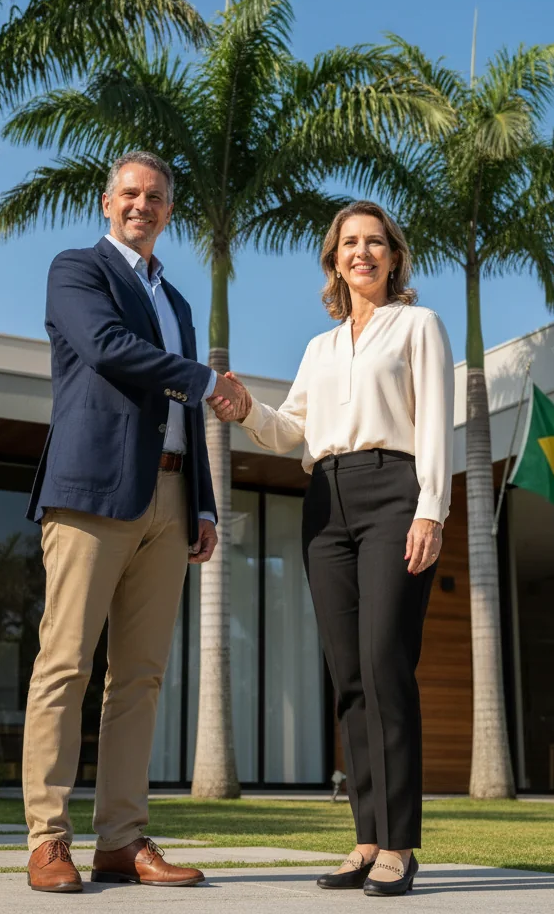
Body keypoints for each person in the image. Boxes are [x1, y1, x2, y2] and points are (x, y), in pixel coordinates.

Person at [211, 200, 454, 898]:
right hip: (326, 500)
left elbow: (436, 419)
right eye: (350, 243)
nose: (363, 253)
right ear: (333, 259)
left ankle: (401, 845)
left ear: (395, 257)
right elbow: (293, 431)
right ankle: (367, 837)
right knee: (349, 675)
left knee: (385, 662)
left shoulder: (419, 326)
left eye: (376, 242)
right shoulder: (319, 349)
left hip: (394, 492)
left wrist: (431, 511)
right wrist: (246, 411)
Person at [22, 150, 246, 893]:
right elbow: (108, 349)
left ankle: (121, 840)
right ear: (106, 201)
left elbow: (184, 411)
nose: (141, 205)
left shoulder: (177, 302)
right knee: (66, 664)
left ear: (169, 210)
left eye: (154, 196)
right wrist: (209, 378)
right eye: (129, 193)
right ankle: (48, 840)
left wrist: (203, 503)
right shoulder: (76, 270)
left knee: (141, 678)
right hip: (90, 493)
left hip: (171, 498)